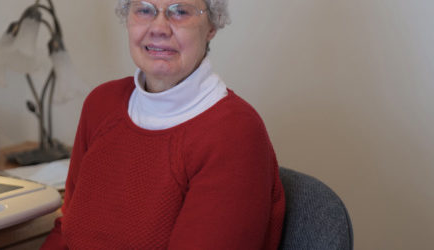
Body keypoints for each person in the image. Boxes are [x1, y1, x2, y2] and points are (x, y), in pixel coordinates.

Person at [41, 0, 285, 249]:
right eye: (144, 10)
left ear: (212, 25)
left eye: (180, 11)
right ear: (127, 18)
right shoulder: (101, 105)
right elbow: (67, 229)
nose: (159, 28)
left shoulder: (235, 133)